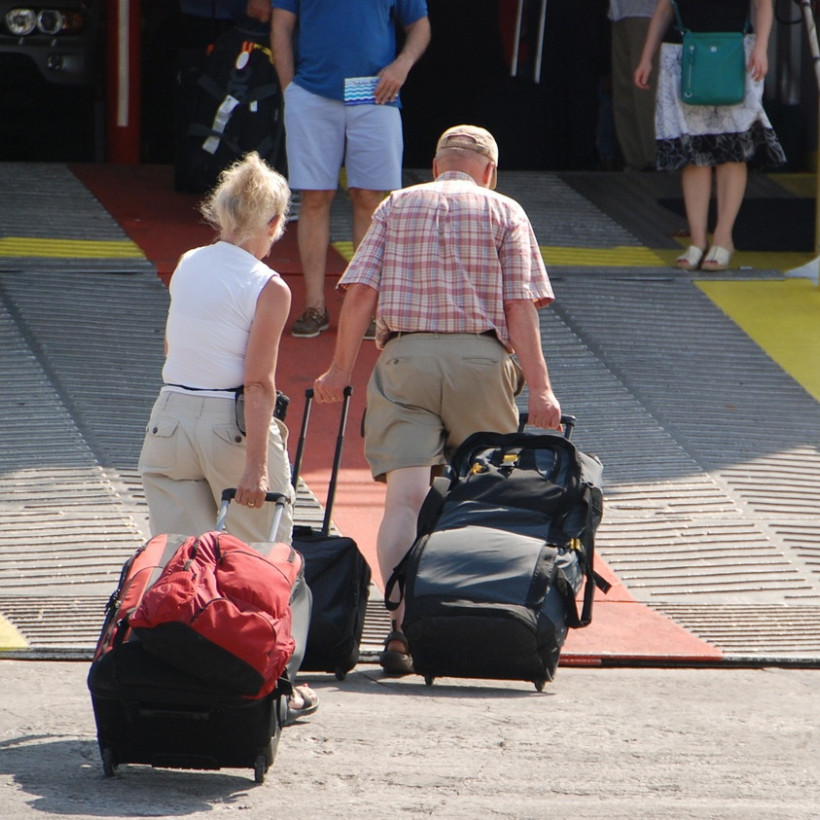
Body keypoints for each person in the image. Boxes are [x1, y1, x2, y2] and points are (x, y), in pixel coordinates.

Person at [313, 125, 563, 676]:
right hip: (482, 362)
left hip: (405, 362)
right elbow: (521, 306)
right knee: (477, 499)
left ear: (434, 166)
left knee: (404, 500)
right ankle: (463, 618)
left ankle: (401, 628)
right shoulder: (506, 212)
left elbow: (360, 294)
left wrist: (336, 370)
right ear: (490, 172)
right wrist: (542, 388)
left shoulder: (395, 206)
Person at [137, 151, 317, 722]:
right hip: (229, 425)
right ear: (273, 222)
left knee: (177, 560)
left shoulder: (189, 262)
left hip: (169, 416)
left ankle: (173, 672)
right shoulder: (269, 286)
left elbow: (173, 347)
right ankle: (272, 683)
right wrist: (257, 466)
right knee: (257, 560)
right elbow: (259, 382)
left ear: (220, 212)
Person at [270, 0, 431, 338]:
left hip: (374, 92)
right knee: (315, 198)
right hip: (314, 91)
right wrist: (291, 91)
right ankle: (315, 306)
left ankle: (365, 310)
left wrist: (402, 65)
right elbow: (280, 23)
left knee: (370, 199)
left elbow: (420, 25)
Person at [634, 0, 786, 271]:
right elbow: (664, 8)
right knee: (693, 151)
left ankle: (723, 237)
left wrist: (762, 47)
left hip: (734, 49)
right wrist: (646, 57)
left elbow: (763, 5)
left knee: (733, 148)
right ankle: (697, 240)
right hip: (683, 52)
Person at [609, 1, 658, 171]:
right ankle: (634, 159)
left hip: (648, 12)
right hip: (620, 12)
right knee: (625, 91)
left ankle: (652, 159)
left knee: (644, 90)